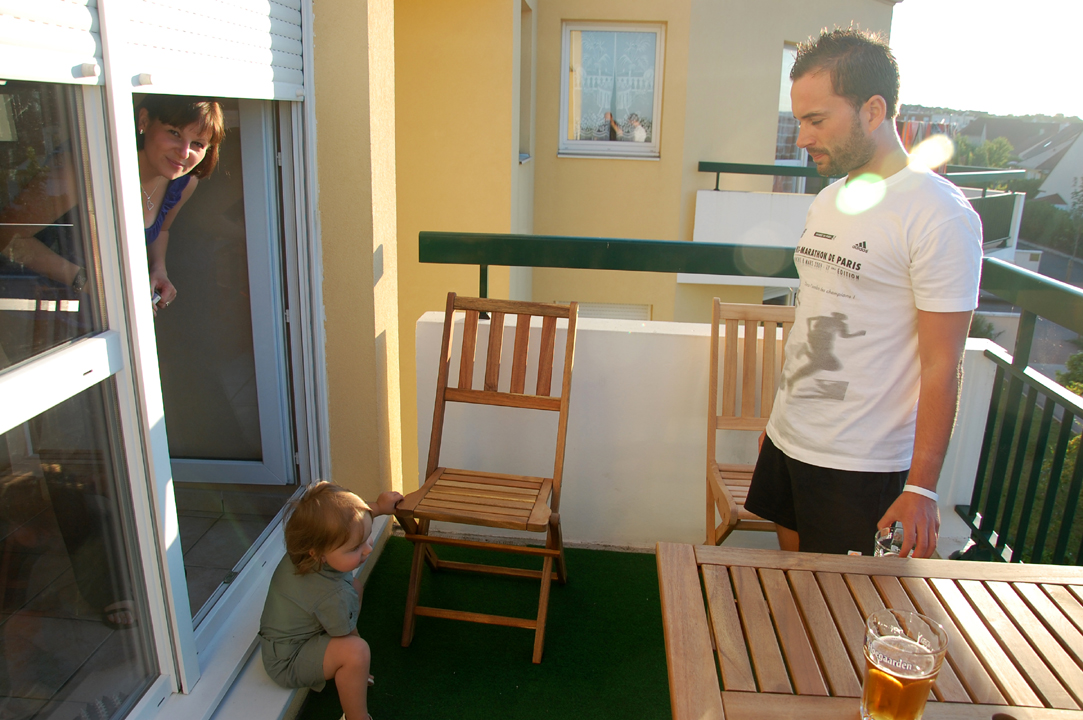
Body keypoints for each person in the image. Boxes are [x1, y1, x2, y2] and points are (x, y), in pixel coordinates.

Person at [743, 28, 982, 559]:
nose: (802, 138)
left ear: (873, 110)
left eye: (816, 120)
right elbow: (816, 314)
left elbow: (943, 363)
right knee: (793, 586)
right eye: (800, 120)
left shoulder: (939, 214)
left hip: (863, 466)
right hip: (791, 440)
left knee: (844, 608)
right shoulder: (828, 200)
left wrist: (921, 488)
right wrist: (780, 423)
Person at [259, 482, 403, 720]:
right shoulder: (332, 594)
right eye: (355, 548)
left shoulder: (310, 545)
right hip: (288, 660)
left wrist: (378, 507)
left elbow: (353, 523)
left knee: (355, 587)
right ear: (318, 553)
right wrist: (357, 666)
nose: (367, 549)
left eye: (367, 537)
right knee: (357, 652)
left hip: (297, 634)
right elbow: (349, 635)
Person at [135, 95, 225, 313]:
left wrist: (158, 269)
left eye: (197, 144)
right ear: (144, 120)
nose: (184, 152)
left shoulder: (184, 184)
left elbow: (161, 229)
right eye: (174, 133)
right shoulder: (91, 170)